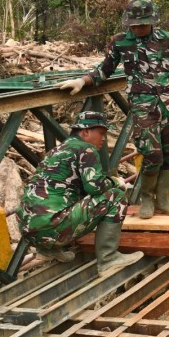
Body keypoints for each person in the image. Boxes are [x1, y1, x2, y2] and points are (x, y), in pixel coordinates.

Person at [58, 0, 169, 220]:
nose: (140, 28)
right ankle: (147, 199)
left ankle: (164, 200)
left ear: (152, 20)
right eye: (135, 25)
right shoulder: (121, 41)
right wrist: (82, 81)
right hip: (143, 107)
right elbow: (105, 69)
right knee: (151, 153)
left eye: (143, 24)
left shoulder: (168, 40)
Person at [18, 111, 143, 274]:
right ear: (85, 132)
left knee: (62, 200)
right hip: (52, 229)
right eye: (102, 133)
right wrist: (115, 182)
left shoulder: (57, 150)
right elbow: (95, 187)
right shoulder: (86, 149)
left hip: (28, 232)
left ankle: (48, 251)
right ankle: (108, 258)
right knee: (115, 196)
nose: (104, 139)